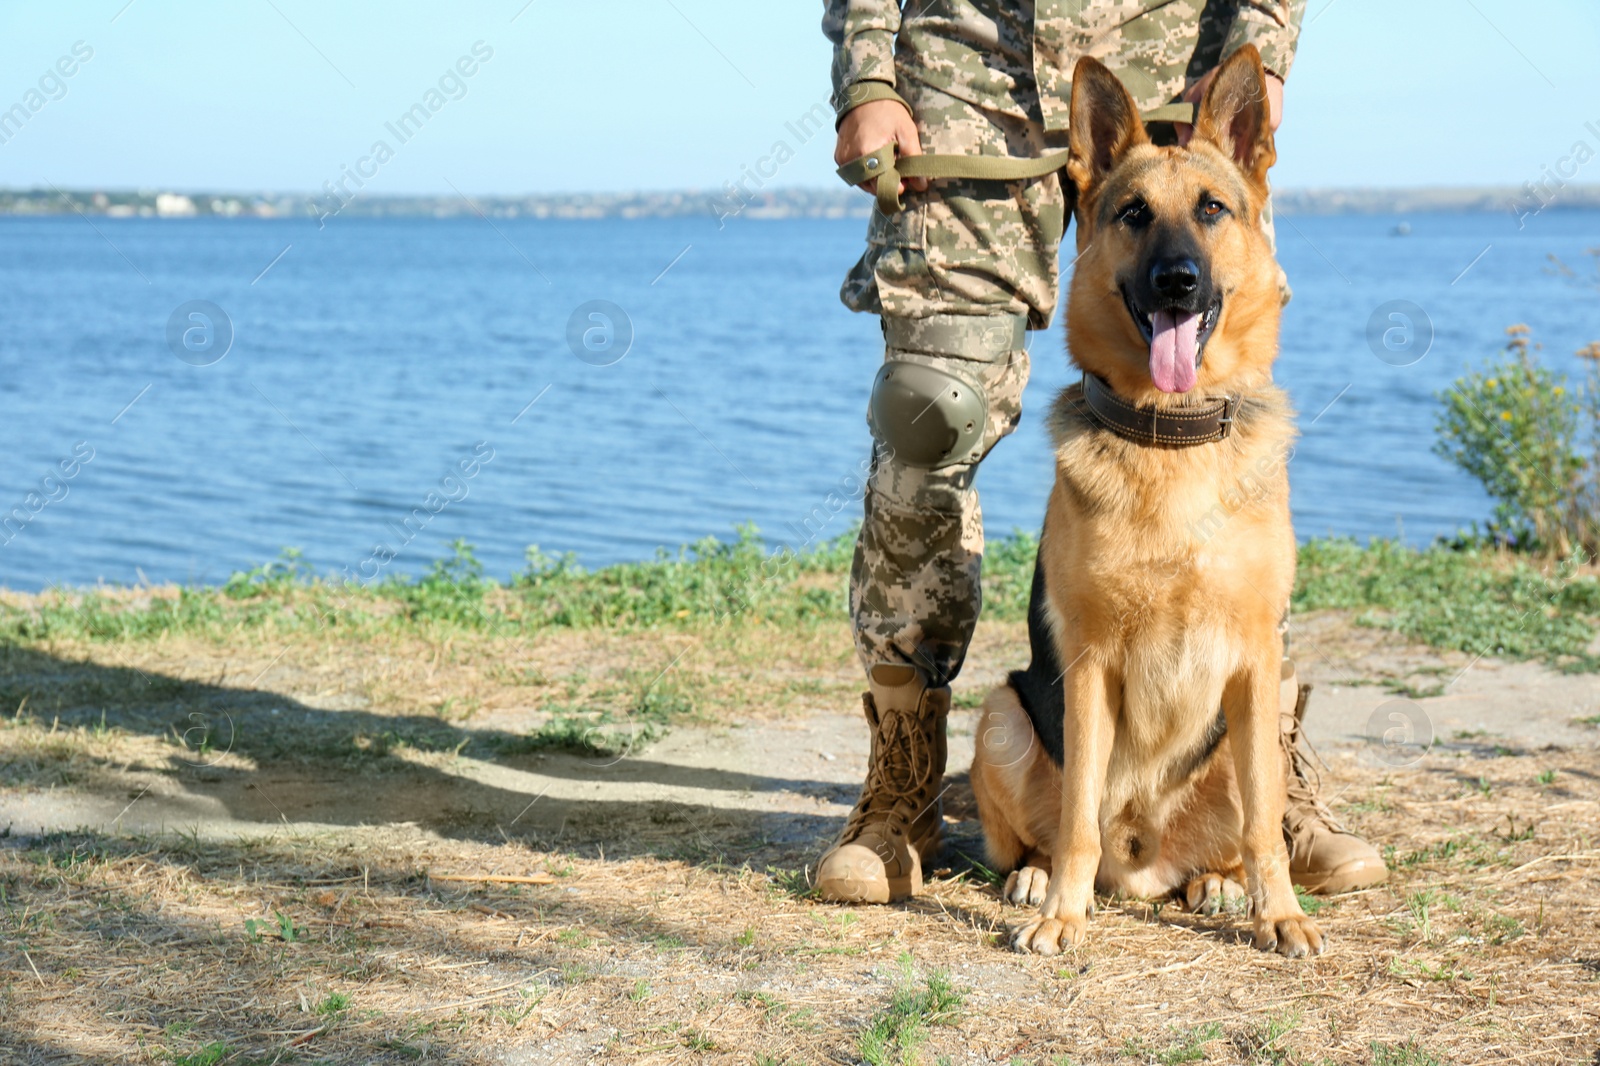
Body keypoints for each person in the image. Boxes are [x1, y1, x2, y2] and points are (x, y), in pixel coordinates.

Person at [816, 0, 1388, 904]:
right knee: (930, 411)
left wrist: (1261, 49)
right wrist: (869, 73)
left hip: (1173, 53)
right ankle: (904, 780)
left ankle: (1260, 787)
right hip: (968, 64)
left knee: (1222, 382)